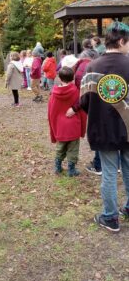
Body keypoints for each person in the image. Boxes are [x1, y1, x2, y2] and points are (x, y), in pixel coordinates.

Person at [80, 21, 129, 232]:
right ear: (121, 41)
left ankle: (110, 217)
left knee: (109, 172)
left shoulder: (92, 67)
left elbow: (84, 102)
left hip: (103, 129)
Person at [48, 67, 86, 176]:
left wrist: (54, 127)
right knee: (73, 149)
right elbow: (82, 109)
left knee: (60, 148)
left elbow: (51, 112)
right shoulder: (76, 92)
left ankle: (58, 167)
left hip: (60, 127)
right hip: (73, 126)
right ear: (73, 78)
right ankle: (71, 170)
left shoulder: (54, 94)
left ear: (59, 78)